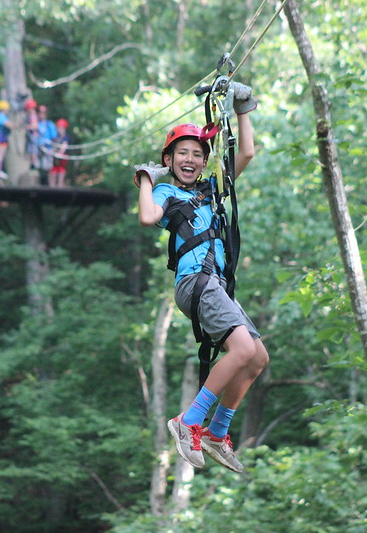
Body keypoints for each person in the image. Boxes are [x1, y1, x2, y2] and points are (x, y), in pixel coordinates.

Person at [134, 81, 269, 473]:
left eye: (197, 153)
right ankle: (189, 421)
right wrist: (147, 177)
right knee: (241, 350)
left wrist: (242, 107)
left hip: (216, 286)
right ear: (170, 160)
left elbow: (246, 151)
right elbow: (147, 217)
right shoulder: (166, 194)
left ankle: (216, 431)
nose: (190, 159)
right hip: (196, 283)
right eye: (181, 154)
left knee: (257, 357)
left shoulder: (213, 189)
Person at [37, 105, 57, 185]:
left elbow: (54, 138)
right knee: (38, 169)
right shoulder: (35, 124)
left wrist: (53, 149)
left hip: (48, 149)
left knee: (48, 169)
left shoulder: (50, 124)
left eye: (44, 112)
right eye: (40, 112)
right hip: (37, 150)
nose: (42, 114)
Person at [0, 99, 13, 180]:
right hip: (0, 137)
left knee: (1, 155)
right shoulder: (1, 116)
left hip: (2, 137)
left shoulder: (2, 116)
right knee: (0, 155)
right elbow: (9, 125)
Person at [49, 118, 70, 187]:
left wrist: (60, 153)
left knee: (61, 171)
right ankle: (52, 186)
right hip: (55, 157)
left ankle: (60, 186)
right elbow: (54, 145)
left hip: (62, 158)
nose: (59, 129)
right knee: (53, 171)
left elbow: (64, 146)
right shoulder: (56, 136)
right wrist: (52, 152)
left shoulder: (66, 137)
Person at [24, 98, 40, 169]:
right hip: (31, 136)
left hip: (34, 136)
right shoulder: (31, 115)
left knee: (33, 152)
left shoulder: (33, 116)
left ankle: (34, 165)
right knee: (31, 151)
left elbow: (35, 126)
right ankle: (32, 165)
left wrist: (28, 126)